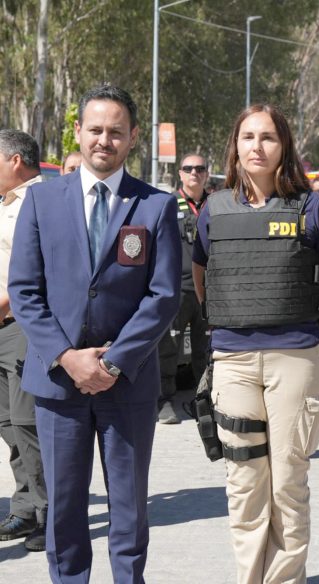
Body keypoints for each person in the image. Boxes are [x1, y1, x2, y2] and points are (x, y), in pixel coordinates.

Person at [8, 84, 181, 582]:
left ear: (132, 140)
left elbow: (163, 295)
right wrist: (67, 357)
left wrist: (111, 362)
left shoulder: (155, 206)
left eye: (117, 132)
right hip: (57, 387)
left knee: (128, 511)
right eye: (96, 129)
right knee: (64, 512)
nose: (104, 140)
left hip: (126, 385)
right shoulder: (41, 201)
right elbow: (25, 291)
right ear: (79, 132)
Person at [191, 102, 319, 584]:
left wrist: (315, 334)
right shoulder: (214, 210)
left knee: (287, 484)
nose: (256, 146)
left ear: (284, 148)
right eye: (247, 137)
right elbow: (204, 279)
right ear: (234, 148)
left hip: (295, 359)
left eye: (268, 138)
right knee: (244, 484)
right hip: (233, 362)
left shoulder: (313, 208)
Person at [0, 129, 47, 552]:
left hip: (21, 326)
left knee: (27, 423)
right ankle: (27, 506)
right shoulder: (5, 204)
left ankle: (50, 516)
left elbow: (40, 271)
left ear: (15, 160)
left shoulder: (41, 202)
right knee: (6, 424)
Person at [156, 152, 210, 424]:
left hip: (208, 290)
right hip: (177, 289)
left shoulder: (214, 203)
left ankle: (205, 402)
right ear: (180, 173)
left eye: (200, 169)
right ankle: (163, 401)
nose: (194, 173)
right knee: (168, 347)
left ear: (206, 174)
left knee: (205, 350)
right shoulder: (168, 203)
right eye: (188, 168)